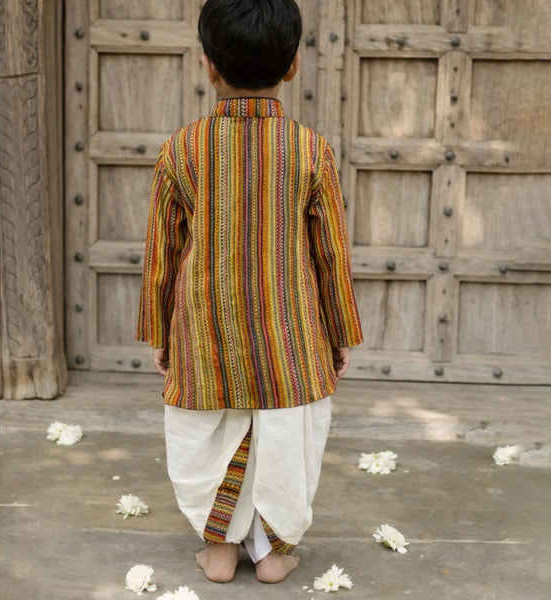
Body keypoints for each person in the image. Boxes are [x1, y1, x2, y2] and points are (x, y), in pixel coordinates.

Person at [136, 0, 363, 585]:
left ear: (208, 65)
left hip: (203, 336)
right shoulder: (312, 151)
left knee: (209, 433)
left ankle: (218, 551)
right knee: (286, 434)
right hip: (291, 339)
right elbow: (331, 255)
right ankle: (271, 553)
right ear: (292, 66)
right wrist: (340, 334)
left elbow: (161, 256)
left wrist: (158, 333)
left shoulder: (180, 150)